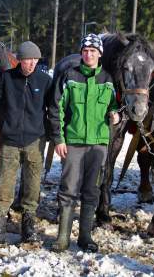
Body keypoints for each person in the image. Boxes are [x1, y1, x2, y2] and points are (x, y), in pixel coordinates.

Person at [49, 34, 120, 253]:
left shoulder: (108, 79)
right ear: (81, 53)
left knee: (92, 191)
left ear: (100, 54)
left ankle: (85, 236)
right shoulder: (69, 76)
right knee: (68, 189)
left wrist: (115, 114)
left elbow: (113, 105)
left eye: (92, 51)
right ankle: (62, 238)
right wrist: (59, 139)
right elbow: (55, 109)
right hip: (73, 143)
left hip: (98, 144)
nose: (88, 54)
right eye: (85, 50)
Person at [0, 41, 53, 247]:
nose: (29, 64)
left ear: (38, 61)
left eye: (33, 60)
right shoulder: (7, 78)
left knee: (32, 186)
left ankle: (28, 227)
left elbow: (53, 110)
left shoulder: (46, 81)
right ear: (19, 60)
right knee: (4, 184)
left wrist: (53, 135)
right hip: (9, 141)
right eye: (26, 60)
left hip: (35, 142)